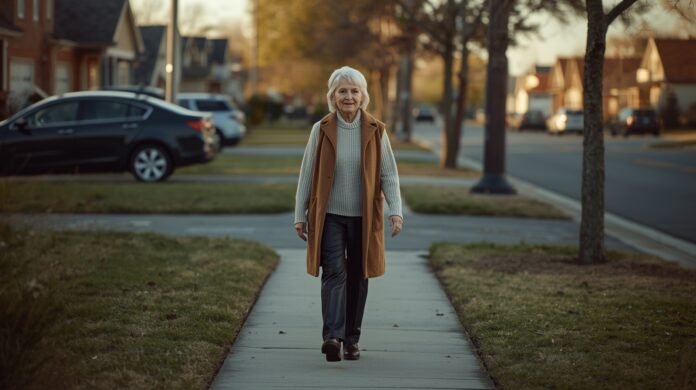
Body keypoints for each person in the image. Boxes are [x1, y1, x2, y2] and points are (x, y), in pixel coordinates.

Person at [294, 66, 404, 362]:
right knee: (334, 273)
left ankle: (352, 339)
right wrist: (299, 214)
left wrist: (396, 211)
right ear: (332, 96)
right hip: (329, 215)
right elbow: (307, 173)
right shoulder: (321, 128)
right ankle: (332, 336)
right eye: (342, 91)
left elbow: (389, 174)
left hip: (364, 217)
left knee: (358, 274)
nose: (349, 96)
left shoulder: (376, 130)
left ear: (363, 96)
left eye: (354, 91)